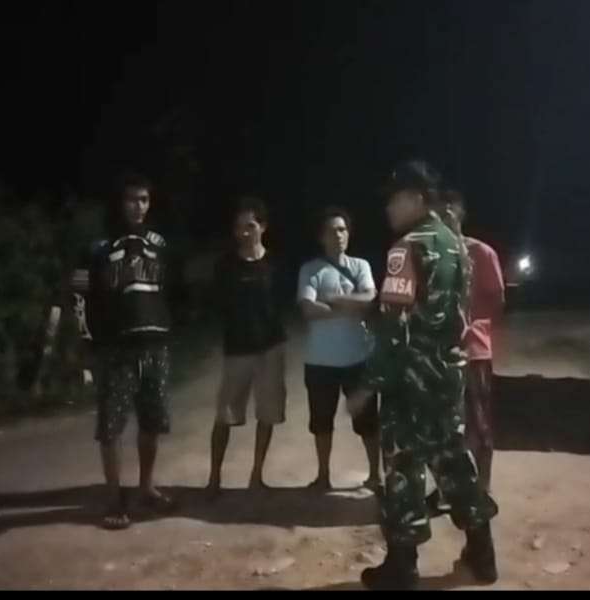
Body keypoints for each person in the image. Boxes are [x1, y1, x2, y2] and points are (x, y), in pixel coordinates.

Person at [347, 160, 499, 589]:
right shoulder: (455, 244)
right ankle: (483, 553)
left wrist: (368, 385)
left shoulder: (407, 248)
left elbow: (393, 329)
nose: (387, 210)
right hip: (447, 377)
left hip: (410, 382)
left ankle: (402, 566)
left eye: (393, 200)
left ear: (416, 198)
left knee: (403, 468)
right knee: (454, 462)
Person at [87, 171, 175, 530]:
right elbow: (85, 297)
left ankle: (146, 487)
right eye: (131, 199)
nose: (137, 206)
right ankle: (114, 498)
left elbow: (174, 290)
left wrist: (170, 324)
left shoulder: (161, 243)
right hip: (117, 349)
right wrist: (90, 343)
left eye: (143, 199)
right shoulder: (100, 247)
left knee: (152, 422)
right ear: (119, 202)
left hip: (156, 345)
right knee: (111, 426)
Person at [207, 197, 287, 497]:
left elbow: (283, 303)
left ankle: (257, 475)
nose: (244, 232)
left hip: (270, 348)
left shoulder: (275, 264)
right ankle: (214, 478)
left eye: (250, 226)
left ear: (263, 227)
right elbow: (217, 305)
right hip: (237, 349)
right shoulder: (225, 265)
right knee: (225, 416)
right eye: (239, 227)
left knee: (267, 414)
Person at [296, 207, 380, 492]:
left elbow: (370, 298)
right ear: (321, 237)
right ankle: (323, 476)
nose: (339, 235)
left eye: (342, 229)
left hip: (358, 358)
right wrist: (350, 306)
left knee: (368, 422)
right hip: (320, 361)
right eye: (332, 231)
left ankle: (375, 475)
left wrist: (331, 300)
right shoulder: (310, 269)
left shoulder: (360, 265)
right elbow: (308, 309)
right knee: (321, 423)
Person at [436, 190, 505, 491]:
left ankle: (483, 488)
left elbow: (497, 301)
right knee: (443, 426)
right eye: (438, 213)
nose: (444, 218)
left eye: (449, 211)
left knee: (479, 423)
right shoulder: (431, 254)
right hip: (438, 353)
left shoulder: (482, 252)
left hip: (474, 353)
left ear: (460, 213)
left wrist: (472, 329)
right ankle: (448, 488)